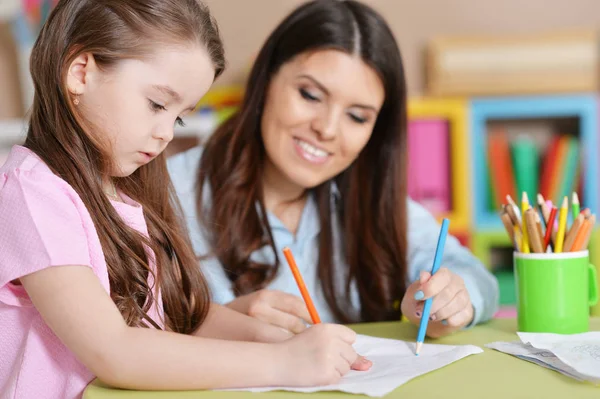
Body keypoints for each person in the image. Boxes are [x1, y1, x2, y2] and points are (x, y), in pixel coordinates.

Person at [0, 1, 370, 398]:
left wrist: (279, 341)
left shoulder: (125, 187)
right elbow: (115, 351)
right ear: (81, 73)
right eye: (157, 104)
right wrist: (285, 363)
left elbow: (179, 316)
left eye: (177, 117)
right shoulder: (32, 191)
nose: (166, 134)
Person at [168, 0, 499, 338]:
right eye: (310, 95)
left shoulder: (372, 201)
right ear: (265, 79)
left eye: (357, 117)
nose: (327, 129)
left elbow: (478, 280)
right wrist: (219, 321)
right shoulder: (170, 191)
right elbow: (133, 324)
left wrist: (453, 298)